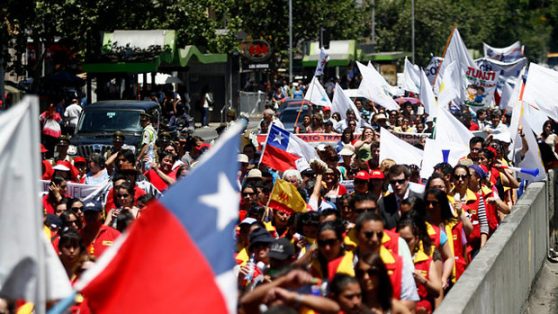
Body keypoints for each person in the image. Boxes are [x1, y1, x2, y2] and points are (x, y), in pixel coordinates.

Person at [397, 218, 442, 313]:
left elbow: (438, 291)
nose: (404, 244)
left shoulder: (426, 261)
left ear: (416, 239)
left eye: (408, 240)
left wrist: (422, 280)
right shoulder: (392, 261)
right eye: (401, 240)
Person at [378, 165, 422, 230]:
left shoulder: (420, 200)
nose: (396, 185)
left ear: (407, 180)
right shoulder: (382, 203)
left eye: (400, 181)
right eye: (393, 182)